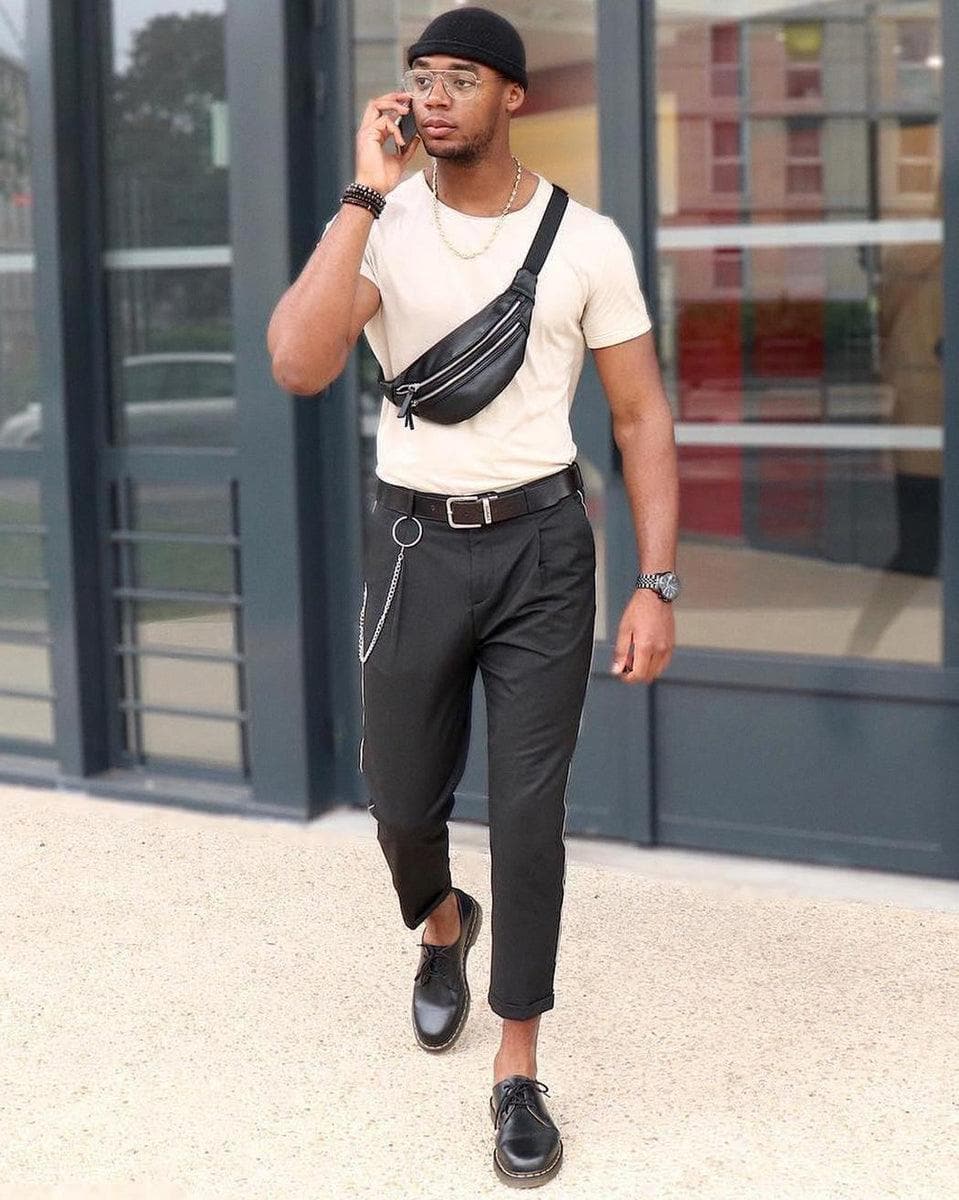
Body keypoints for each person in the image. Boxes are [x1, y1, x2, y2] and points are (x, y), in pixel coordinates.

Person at [267, 5, 679, 1187]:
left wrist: (654, 580)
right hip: (412, 543)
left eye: (460, 78)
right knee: (400, 801)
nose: (433, 95)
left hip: (543, 548)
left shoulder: (584, 242)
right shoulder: (380, 226)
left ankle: (516, 1066)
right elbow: (298, 363)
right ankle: (443, 925)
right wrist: (362, 193)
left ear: (513, 98)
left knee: (529, 814)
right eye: (420, 77)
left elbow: (640, 417)